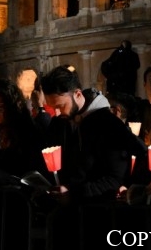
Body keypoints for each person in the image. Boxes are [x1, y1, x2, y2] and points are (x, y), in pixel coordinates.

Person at [40, 65, 144, 204]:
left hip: (99, 208)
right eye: (53, 108)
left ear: (77, 94)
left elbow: (115, 178)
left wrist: (74, 194)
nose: (57, 113)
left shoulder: (108, 124)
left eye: (60, 106)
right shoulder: (60, 122)